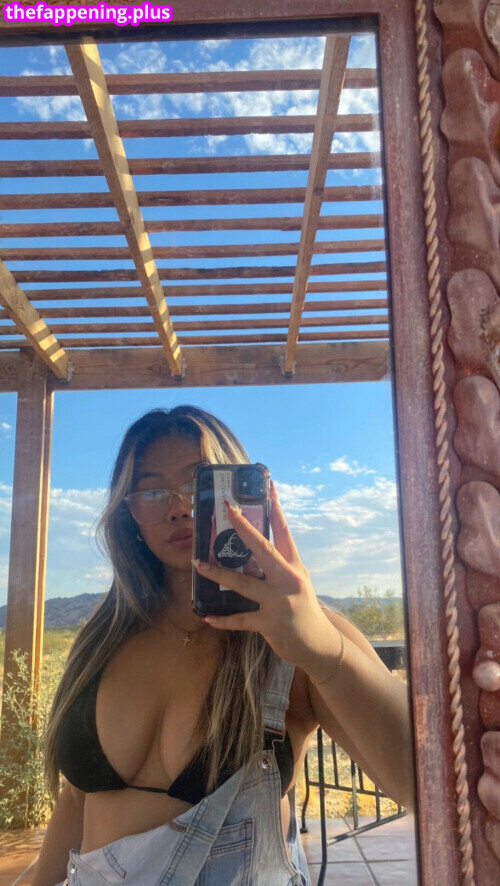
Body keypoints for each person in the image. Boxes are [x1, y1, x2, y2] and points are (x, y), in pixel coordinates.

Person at [32, 405, 415, 886]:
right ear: (129, 513)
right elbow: (77, 800)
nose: (178, 507)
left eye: (199, 485)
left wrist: (321, 650)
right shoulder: (102, 637)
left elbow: (427, 781)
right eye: (151, 491)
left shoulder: (297, 639)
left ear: (245, 494)